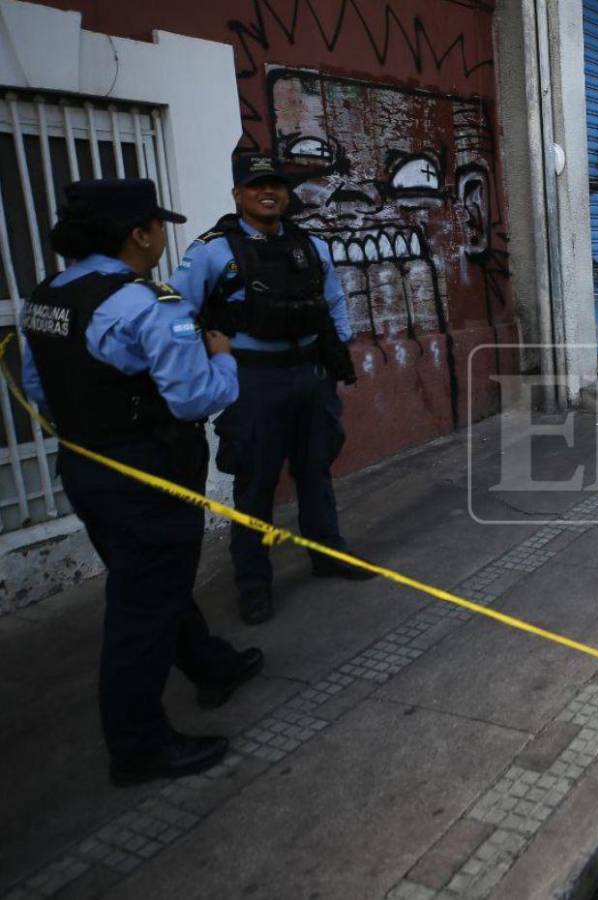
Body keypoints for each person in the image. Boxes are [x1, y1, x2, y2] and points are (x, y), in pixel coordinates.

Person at [20, 178, 263, 786]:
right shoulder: (149, 304)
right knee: (140, 609)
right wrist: (224, 356)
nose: (161, 236)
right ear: (139, 234)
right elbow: (193, 398)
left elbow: (37, 386)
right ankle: (138, 745)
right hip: (147, 473)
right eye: (157, 226)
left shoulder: (47, 296)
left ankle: (212, 667)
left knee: (152, 584)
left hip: (87, 468)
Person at [170, 155, 372, 626]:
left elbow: (334, 300)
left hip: (309, 373)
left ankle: (328, 553)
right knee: (255, 483)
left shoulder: (310, 246)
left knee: (315, 469)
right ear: (237, 194)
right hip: (252, 378)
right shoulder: (211, 251)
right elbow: (178, 313)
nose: (269, 192)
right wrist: (199, 369)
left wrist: (338, 351)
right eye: (257, 185)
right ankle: (254, 584)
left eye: (276, 185)